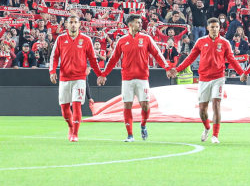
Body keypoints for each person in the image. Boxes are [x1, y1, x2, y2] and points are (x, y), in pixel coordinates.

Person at [100, 14, 176, 142]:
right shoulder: (122, 40)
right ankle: (130, 135)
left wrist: (167, 68)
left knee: (145, 105)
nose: (140, 24)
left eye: (141, 22)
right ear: (130, 24)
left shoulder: (146, 39)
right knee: (127, 105)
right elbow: (113, 59)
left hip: (142, 78)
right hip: (127, 79)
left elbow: (157, 54)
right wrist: (103, 74)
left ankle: (143, 125)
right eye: (138, 22)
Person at [174, 17, 245, 144]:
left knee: (216, 104)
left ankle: (215, 135)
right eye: (212, 27)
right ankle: (207, 127)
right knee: (202, 110)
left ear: (219, 28)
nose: (214, 29)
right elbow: (190, 58)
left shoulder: (224, 43)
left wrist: (241, 72)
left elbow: (232, 59)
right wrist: (178, 69)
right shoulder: (201, 42)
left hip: (218, 77)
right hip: (204, 79)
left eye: (216, 27)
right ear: (207, 28)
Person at [48, 14, 105, 142]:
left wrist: (100, 74)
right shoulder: (61, 39)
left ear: (79, 24)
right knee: (64, 107)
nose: (73, 24)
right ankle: (70, 126)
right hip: (64, 78)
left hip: (80, 78)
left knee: (77, 105)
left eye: (75, 22)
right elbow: (54, 56)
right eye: (71, 22)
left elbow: (93, 60)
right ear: (67, 24)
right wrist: (52, 71)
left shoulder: (86, 40)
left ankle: (75, 133)